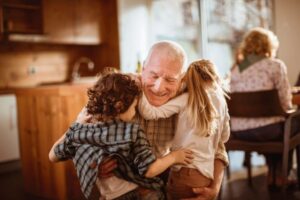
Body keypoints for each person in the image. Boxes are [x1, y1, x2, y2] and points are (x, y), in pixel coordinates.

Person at [78, 41, 229, 200]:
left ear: (182, 79)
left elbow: (217, 146)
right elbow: (76, 137)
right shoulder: (119, 90)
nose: (158, 87)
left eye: (170, 80)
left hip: (159, 183)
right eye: (154, 75)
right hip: (115, 191)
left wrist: (214, 187)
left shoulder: (187, 99)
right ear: (143, 68)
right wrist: (93, 165)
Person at [49, 72, 193, 200]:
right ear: (119, 106)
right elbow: (149, 169)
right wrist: (175, 157)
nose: (135, 113)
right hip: (139, 193)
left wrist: (76, 125)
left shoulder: (80, 130)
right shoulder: (131, 132)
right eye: (134, 108)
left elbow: (53, 156)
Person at [138, 59, 230, 199]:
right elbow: (224, 137)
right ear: (215, 77)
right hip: (205, 175)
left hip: (182, 171)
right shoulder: (222, 102)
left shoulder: (186, 99)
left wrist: (139, 88)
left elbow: (151, 113)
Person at [229, 27, 293, 187]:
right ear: (268, 46)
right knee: (290, 124)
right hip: (269, 131)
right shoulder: (275, 66)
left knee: (276, 125)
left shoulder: (236, 70)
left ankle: (274, 173)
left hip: (239, 132)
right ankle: (281, 175)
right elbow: (285, 104)